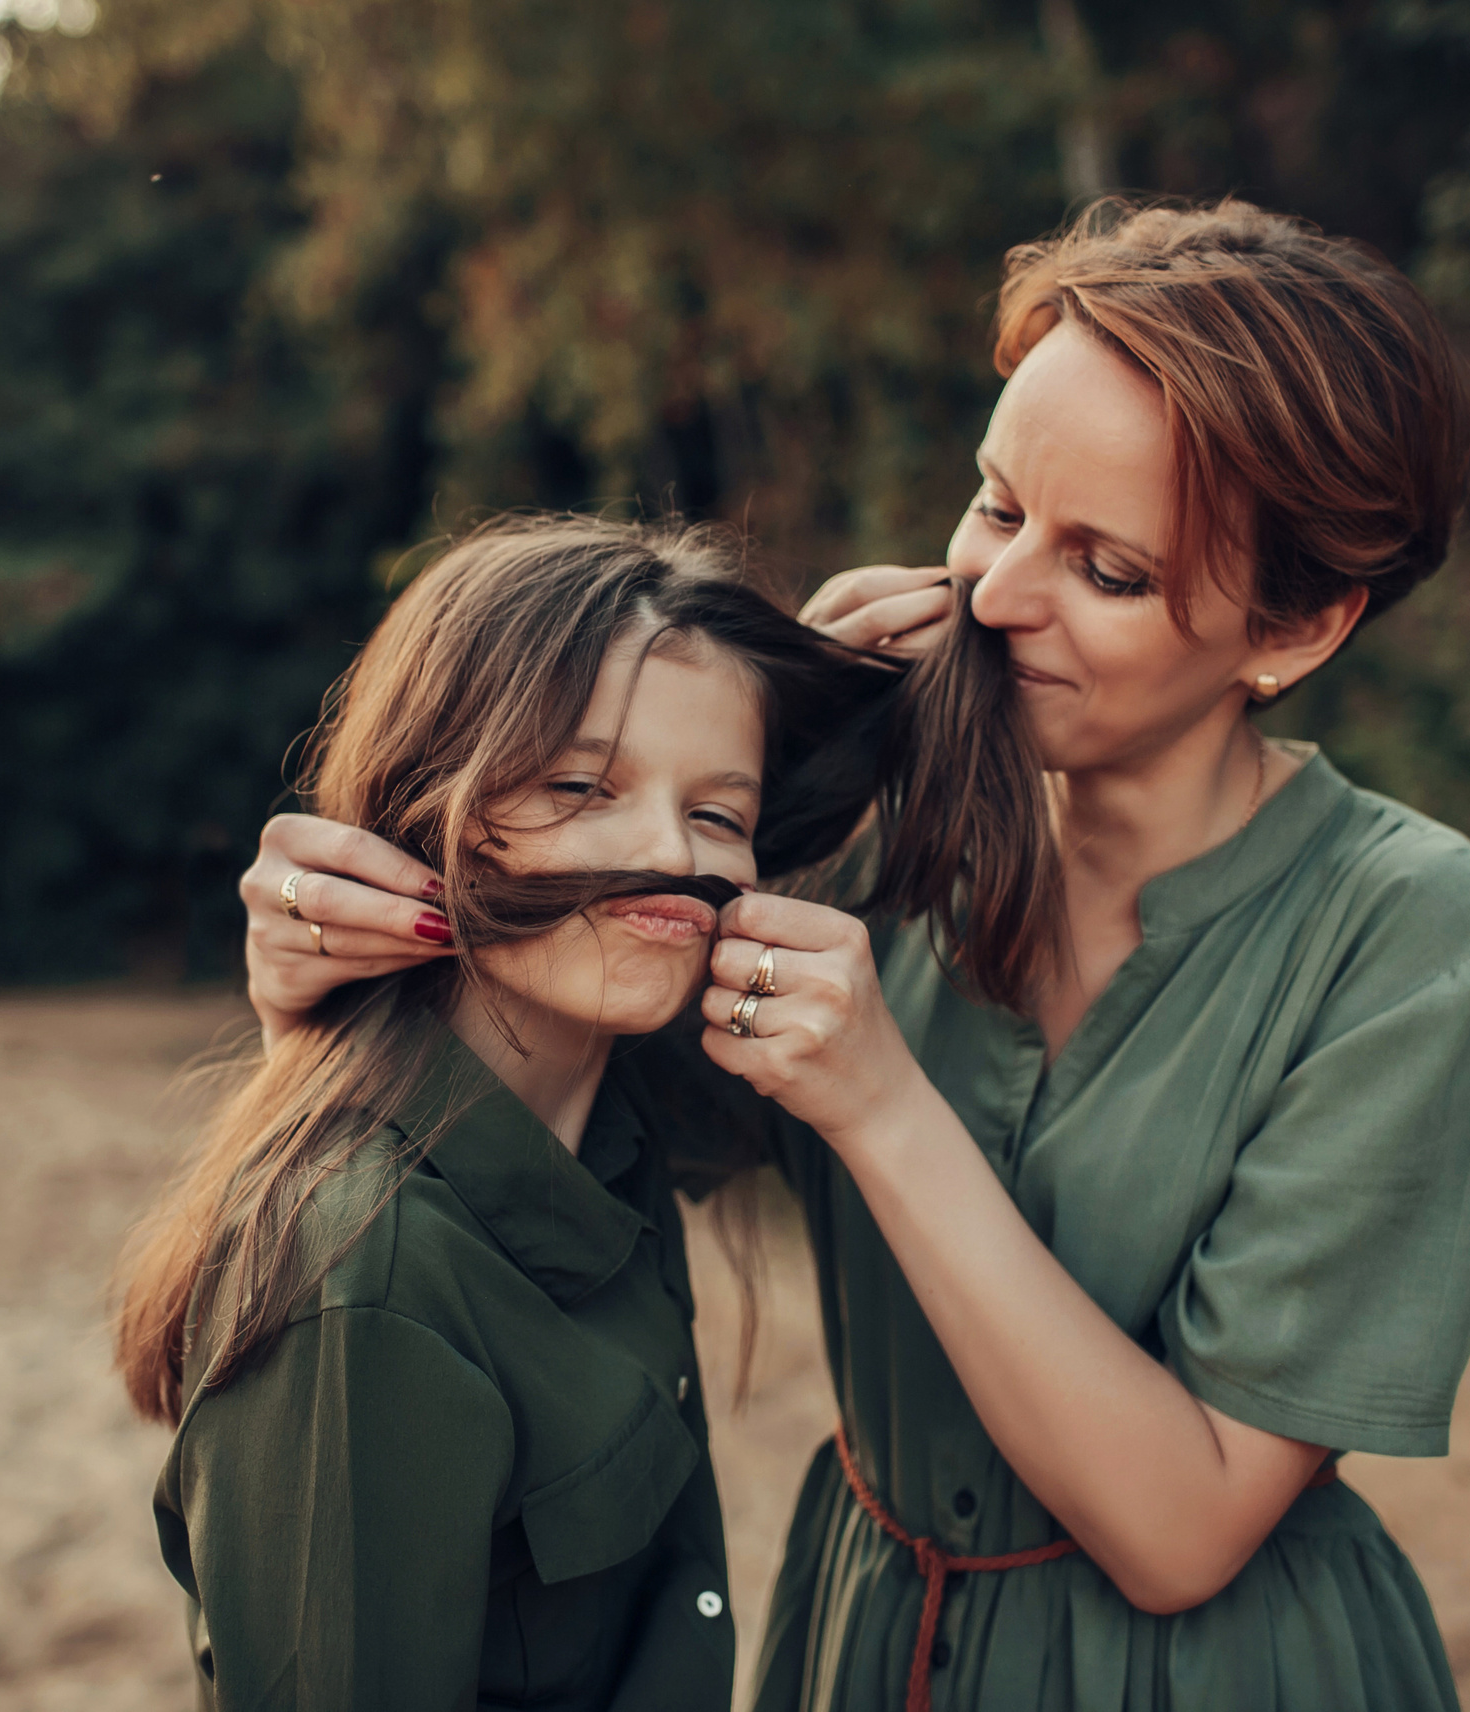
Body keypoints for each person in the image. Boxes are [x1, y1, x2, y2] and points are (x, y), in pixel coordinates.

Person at [243, 199, 1470, 1712]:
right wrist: (332, 1012)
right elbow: (551, 1193)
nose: (995, 598)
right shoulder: (860, 831)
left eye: (1106, 571)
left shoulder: (1415, 938)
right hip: (864, 1650)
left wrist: (880, 1102)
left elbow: (1184, 1529)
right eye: (997, 508)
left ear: (1299, 627)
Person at [114, 515, 895, 1712]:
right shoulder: (367, 1284)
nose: (665, 852)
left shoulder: (621, 1123)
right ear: (423, 806)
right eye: (583, 785)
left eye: (718, 812)